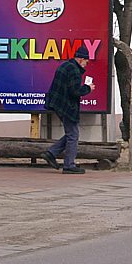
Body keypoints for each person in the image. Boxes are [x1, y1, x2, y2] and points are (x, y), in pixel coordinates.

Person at [41, 45, 95, 174]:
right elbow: (74, 91)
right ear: (81, 59)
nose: (87, 64)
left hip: (58, 104)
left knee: (71, 133)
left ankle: (51, 153)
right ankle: (69, 165)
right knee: (73, 135)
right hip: (67, 106)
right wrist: (88, 88)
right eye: (86, 61)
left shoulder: (66, 65)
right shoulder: (74, 70)